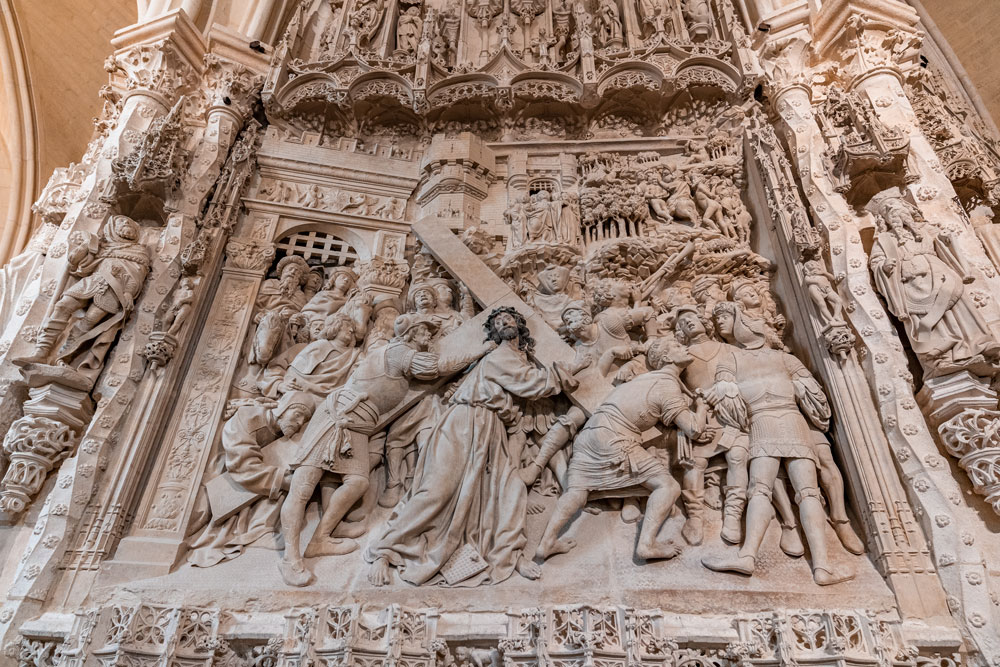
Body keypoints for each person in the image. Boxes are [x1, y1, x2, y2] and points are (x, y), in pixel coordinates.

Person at [366, 307, 579, 587]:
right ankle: (385, 550)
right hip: (463, 422)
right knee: (436, 490)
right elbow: (531, 384)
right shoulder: (498, 354)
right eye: (499, 321)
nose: (504, 323)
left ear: (519, 326)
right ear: (494, 332)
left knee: (510, 491)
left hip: (492, 430)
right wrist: (573, 368)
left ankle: (511, 554)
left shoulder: (518, 357)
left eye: (509, 319)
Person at [278, 313, 490, 586]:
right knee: (303, 486)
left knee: (357, 482)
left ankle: (321, 538)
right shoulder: (399, 352)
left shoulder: (400, 354)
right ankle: (290, 559)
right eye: (425, 330)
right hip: (339, 415)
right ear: (412, 331)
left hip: (360, 426)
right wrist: (482, 349)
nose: (430, 336)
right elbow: (437, 367)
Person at [701, 302, 855, 586]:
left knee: (774, 490)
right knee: (794, 491)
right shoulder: (769, 360)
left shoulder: (746, 360)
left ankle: (756, 557)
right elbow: (815, 401)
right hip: (780, 422)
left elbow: (728, 402)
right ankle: (816, 566)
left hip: (772, 422)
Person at [534, 335, 695, 563]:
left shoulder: (642, 378)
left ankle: (546, 542)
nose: (685, 347)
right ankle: (647, 545)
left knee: (577, 492)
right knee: (668, 486)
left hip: (589, 434)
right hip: (617, 439)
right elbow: (693, 429)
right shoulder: (666, 385)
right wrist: (704, 409)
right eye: (679, 346)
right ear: (667, 357)